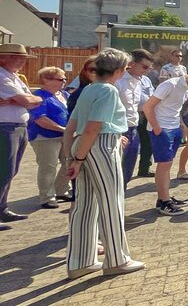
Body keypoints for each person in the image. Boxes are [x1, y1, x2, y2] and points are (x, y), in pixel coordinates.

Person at [63, 48, 144, 279]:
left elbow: (73, 126)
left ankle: (80, 261)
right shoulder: (109, 91)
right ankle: (117, 259)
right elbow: (93, 127)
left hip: (82, 145)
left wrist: (72, 157)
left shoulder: (89, 89)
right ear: (118, 70)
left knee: (84, 205)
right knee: (111, 202)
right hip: (101, 146)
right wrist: (77, 159)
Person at [142, 66, 188, 216]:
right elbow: (147, 106)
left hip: (174, 126)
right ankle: (163, 202)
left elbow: (182, 106)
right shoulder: (170, 84)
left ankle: (166, 197)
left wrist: (181, 124)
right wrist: (156, 126)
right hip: (162, 128)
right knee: (164, 164)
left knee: (168, 164)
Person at [0, 43, 40, 231]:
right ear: (4, 58)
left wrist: (13, 100)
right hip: (5, 127)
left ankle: (3, 208)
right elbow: (27, 100)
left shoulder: (13, 77)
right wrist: (21, 100)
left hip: (18, 126)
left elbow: (36, 100)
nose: (23, 62)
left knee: (11, 170)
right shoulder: (1, 76)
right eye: (19, 58)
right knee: (4, 170)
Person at [30, 67, 72, 209]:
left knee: (69, 162)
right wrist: (63, 129)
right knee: (48, 167)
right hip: (45, 137)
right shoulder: (39, 96)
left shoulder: (64, 95)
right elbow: (40, 119)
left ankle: (61, 190)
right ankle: (47, 197)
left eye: (65, 78)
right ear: (46, 80)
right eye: (60, 79)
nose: (64, 81)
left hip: (64, 136)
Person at [115, 50, 154, 186]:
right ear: (132, 64)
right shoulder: (117, 81)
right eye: (144, 67)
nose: (147, 70)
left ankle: (119, 200)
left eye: (149, 67)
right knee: (115, 170)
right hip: (117, 130)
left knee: (127, 171)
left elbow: (143, 105)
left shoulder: (140, 81)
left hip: (134, 128)